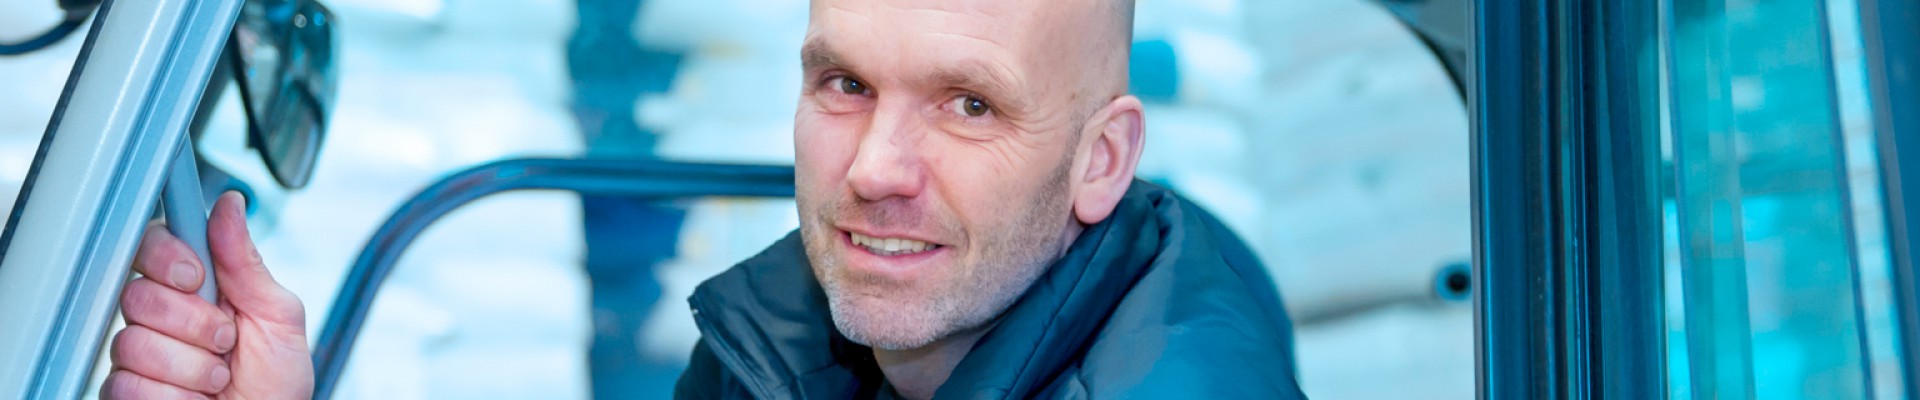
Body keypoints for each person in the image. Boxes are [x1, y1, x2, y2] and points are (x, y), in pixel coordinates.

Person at [106, 0, 1307, 398]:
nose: (876, 166)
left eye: (969, 105)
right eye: (845, 83)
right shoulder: (797, 333)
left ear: (1102, 160)